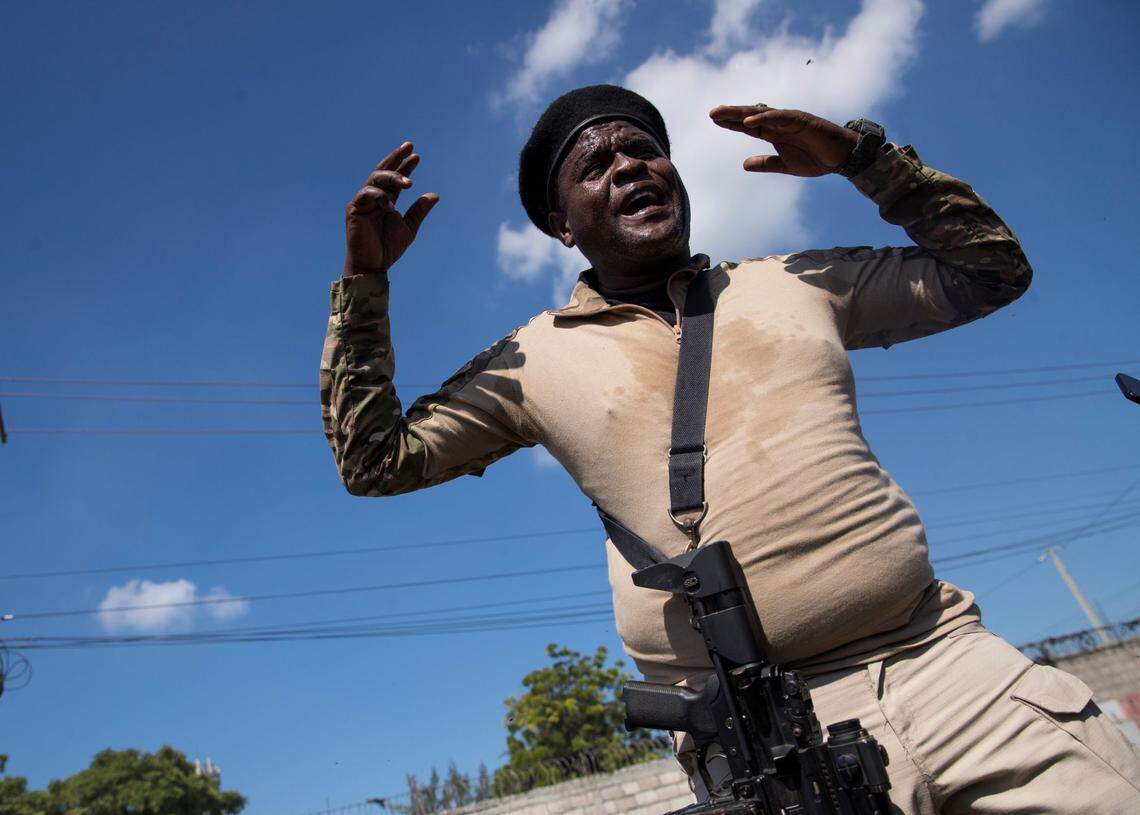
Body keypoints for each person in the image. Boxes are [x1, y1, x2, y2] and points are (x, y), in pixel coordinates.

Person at [320, 85, 1140, 812]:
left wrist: (864, 158)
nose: (631, 167)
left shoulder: (792, 281)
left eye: (644, 149)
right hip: (767, 744)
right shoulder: (533, 360)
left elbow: (991, 269)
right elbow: (374, 461)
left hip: (948, 665)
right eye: (596, 164)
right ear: (563, 225)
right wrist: (364, 283)